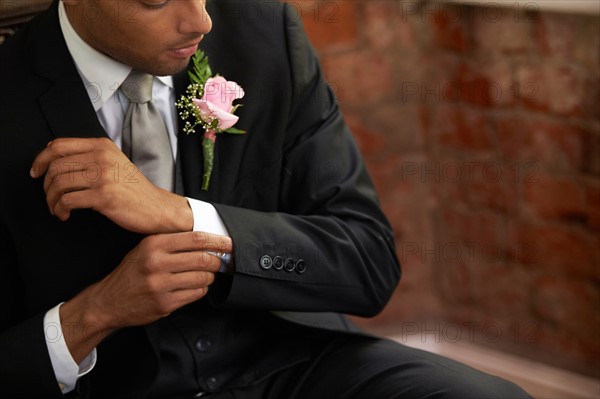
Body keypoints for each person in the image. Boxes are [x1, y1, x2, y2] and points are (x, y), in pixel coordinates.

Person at [0, 0, 532, 398]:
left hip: (297, 364)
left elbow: (369, 263)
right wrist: (94, 314)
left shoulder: (262, 33)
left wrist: (184, 216)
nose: (200, 21)